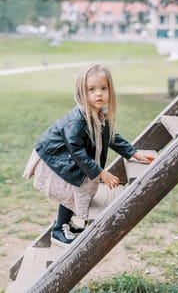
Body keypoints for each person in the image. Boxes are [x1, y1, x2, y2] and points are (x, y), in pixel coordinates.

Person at [23, 63, 155, 247]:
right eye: (91, 89)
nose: (98, 94)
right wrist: (102, 173)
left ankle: (66, 223)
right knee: (74, 186)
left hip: (69, 155)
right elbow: (76, 150)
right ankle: (58, 229)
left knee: (78, 184)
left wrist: (132, 153)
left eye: (103, 88)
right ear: (81, 92)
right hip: (54, 155)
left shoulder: (100, 114)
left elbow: (112, 137)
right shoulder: (78, 119)